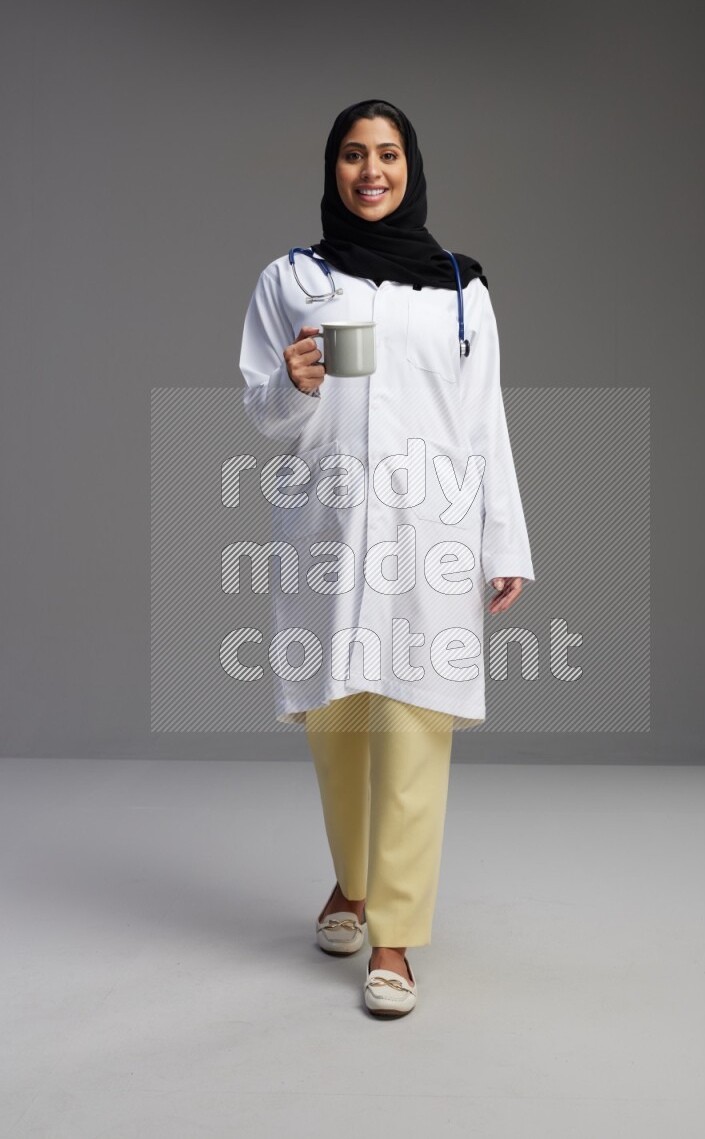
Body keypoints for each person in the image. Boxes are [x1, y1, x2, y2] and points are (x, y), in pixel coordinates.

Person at [238, 98, 535, 1017]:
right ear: (332, 169)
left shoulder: (458, 286)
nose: (373, 171)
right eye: (355, 156)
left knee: (413, 722)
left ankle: (395, 937)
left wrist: (502, 538)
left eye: (389, 155)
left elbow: (485, 420)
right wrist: (290, 385)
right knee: (339, 721)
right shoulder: (291, 278)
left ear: (412, 168)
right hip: (328, 525)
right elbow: (261, 407)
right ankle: (351, 884)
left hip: (428, 533)